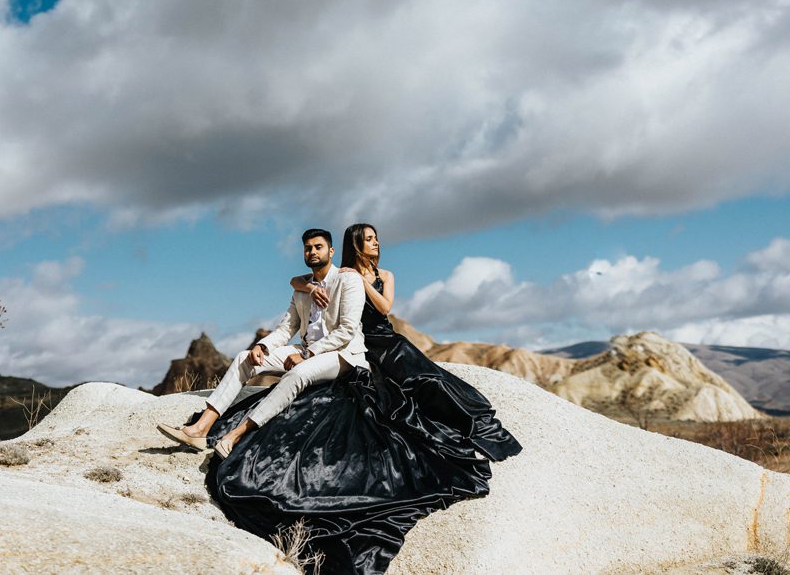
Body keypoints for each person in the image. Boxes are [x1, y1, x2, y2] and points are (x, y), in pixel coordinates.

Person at [199, 223, 523, 575]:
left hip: (381, 339)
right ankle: (208, 423)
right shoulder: (337, 276)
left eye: (375, 238)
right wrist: (307, 284)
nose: (376, 242)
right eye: (368, 239)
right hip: (357, 345)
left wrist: (355, 281)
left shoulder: (375, 274)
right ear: (354, 245)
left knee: (427, 381)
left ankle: (463, 421)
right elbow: (301, 285)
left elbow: (383, 309)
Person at [156, 228, 369, 459]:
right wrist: (262, 347)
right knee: (243, 358)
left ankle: (234, 437)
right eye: (308, 248)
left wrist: (307, 354)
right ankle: (200, 429)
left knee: (297, 374)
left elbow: (347, 330)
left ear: (331, 250)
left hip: (343, 354)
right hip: (306, 347)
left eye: (318, 247)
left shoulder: (348, 280)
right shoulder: (302, 289)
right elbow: (286, 328)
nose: (313, 252)